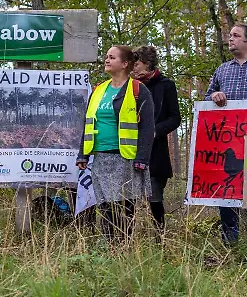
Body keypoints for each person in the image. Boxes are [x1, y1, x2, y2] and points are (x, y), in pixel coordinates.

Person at [77, 45, 155, 243]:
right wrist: (82, 154)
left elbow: (147, 127)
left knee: (124, 206)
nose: (107, 60)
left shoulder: (138, 90)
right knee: (105, 206)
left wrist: (142, 158)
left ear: (125, 64)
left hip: (126, 157)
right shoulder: (98, 90)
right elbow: (88, 123)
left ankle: (123, 247)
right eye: (106, 57)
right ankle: (111, 246)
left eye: (112, 57)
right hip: (101, 158)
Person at [204, 24, 247, 244]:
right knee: (227, 186)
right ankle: (229, 241)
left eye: (236, 35)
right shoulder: (222, 70)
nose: (230, 39)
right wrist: (215, 95)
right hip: (228, 143)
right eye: (230, 35)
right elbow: (206, 100)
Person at [132, 45, 181, 233]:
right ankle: (126, 238)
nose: (133, 68)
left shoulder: (165, 85)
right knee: (127, 197)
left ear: (148, 64)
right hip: (128, 147)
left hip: (155, 150)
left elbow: (175, 117)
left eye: (136, 64)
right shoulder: (127, 85)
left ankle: (160, 238)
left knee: (154, 196)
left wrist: (153, 131)